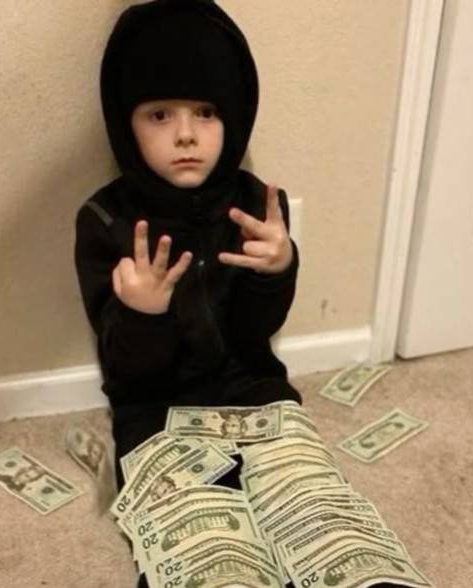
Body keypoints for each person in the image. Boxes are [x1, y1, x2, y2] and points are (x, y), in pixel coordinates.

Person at [74, 2, 302, 583]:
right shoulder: (105, 220)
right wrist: (143, 313)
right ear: (125, 124)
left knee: (311, 517)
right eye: (159, 114)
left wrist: (278, 268)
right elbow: (128, 372)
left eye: (206, 112)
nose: (185, 134)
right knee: (203, 553)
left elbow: (256, 333)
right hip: (156, 409)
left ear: (235, 119)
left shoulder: (258, 205)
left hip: (253, 389)